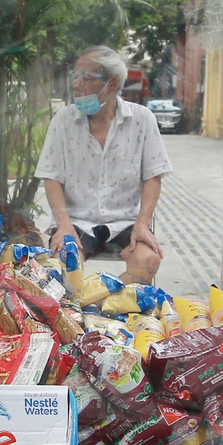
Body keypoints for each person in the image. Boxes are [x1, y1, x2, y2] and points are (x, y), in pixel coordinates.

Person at [36, 45, 172, 283]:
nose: (76, 84)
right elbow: (51, 176)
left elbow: (153, 175)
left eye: (86, 78)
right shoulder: (63, 121)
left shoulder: (142, 120)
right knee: (64, 264)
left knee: (149, 260)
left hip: (125, 221)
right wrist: (63, 225)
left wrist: (143, 223)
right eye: (75, 76)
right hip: (76, 220)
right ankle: (84, 311)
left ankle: (107, 305)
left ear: (112, 83)